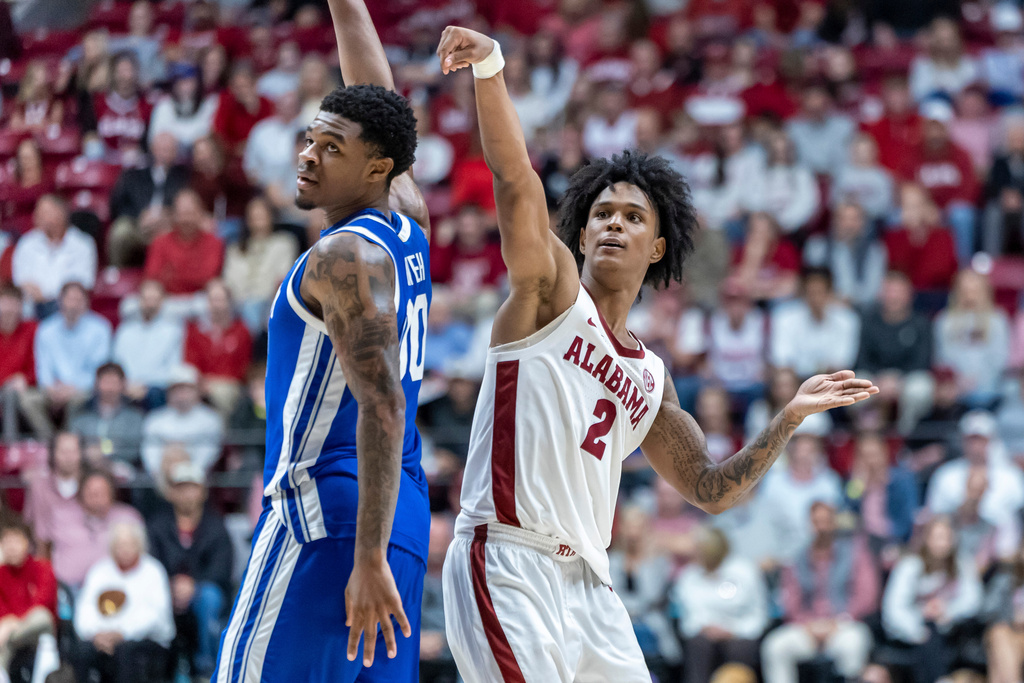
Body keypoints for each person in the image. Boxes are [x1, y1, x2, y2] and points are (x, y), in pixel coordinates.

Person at [434, 25, 877, 683]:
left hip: (591, 583)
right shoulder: (550, 295)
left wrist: (787, 418)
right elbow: (516, 181)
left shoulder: (651, 376)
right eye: (602, 214)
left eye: (633, 217)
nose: (614, 222)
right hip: (507, 560)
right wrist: (493, 67)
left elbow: (710, 488)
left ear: (659, 247)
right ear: (581, 234)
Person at [213, 0, 432, 679]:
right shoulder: (407, 220)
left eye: (331, 148)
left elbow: (384, 404)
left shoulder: (342, 260)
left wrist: (363, 560)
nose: (308, 156)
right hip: (400, 513)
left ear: (376, 168)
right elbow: (378, 100)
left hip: (326, 514)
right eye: (311, 138)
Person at [761, 501, 879, 683]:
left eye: (826, 521)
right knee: (775, 647)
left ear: (834, 523)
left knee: (853, 644)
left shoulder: (855, 553)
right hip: (807, 627)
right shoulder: (797, 558)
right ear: (810, 524)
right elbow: (790, 599)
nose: (822, 527)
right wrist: (807, 624)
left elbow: (867, 595)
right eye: (817, 522)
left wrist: (839, 620)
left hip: (843, 624)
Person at [147, 460, 232, 676]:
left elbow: (221, 569)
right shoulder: (157, 525)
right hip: (165, 590)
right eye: (181, 487)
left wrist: (193, 585)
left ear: (202, 491)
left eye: (192, 486)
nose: (187, 493)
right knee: (151, 596)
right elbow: (150, 564)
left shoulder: (216, 526)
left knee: (209, 597)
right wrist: (170, 584)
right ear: (171, 492)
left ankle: (207, 669)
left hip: (202, 591)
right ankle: (163, 670)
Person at [71, 521, 175, 683]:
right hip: (101, 638)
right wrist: (96, 634)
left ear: (140, 545)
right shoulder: (99, 571)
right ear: (112, 547)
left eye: (130, 544)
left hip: (147, 642)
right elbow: (85, 608)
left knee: (126, 651)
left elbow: (155, 616)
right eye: (120, 545)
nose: (125, 550)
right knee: (81, 651)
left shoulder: (154, 571)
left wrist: (121, 633)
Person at [882, 517, 983, 683]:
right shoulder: (909, 565)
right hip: (913, 631)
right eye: (937, 537)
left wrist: (948, 610)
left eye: (946, 538)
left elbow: (973, 599)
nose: (942, 544)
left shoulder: (962, 563)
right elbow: (893, 608)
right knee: (929, 635)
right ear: (926, 539)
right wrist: (917, 629)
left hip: (951, 629)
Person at [672, 526, 768, 683]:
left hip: (739, 632)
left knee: (740, 649)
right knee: (698, 646)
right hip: (704, 633)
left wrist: (734, 630)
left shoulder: (745, 571)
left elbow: (757, 613)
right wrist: (706, 628)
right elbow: (688, 615)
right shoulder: (689, 576)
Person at [38, 468, 142, 590]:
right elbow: (43, 550)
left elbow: (141, 556)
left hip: (117, 589)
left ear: (112, 493)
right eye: (91, 491)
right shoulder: (61, 515)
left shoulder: (128, 518)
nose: (96, 496)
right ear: (81, 493)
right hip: (67, 590)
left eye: (101, 491)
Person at [34, 282, 112, 420]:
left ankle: (70, 439)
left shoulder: (100, 329)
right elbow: (43, 368)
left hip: (85, 389)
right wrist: (50, 388)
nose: (73, 305)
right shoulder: (45, 329)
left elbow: (100, 370)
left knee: (77, 400)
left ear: (86, 303)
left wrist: (73, 387)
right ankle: (48, 438)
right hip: (52, 389)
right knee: (28, 401)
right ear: (60, 301)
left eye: (78, 300)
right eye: (69, 299)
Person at [221, 196, 299, 332]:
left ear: (271, 216)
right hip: (238, 303)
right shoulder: (235, 248)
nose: (258, 218)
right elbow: (229, 280)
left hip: (269, 303)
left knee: (256, 310)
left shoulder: (284, 243)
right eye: (254, 215)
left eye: (262, 214)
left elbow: (283, 276)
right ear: (247, 219)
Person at [11, 195, 98, 317]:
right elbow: (21, 282)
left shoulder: (82, 244)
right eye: (38, 212)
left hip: (68, 311)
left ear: (61, 214)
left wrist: (47, 296)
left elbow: (83, 283)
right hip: (32, 309)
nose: (38, 216)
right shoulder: (26, 243)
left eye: (45, 212)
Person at [934, 269, 1011, 407]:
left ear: (984, 291)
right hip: (955, 392)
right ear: (957, 291)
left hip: (992, 390)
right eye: (965, 290)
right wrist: (959, 381)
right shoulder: (944, 321)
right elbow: (942, 358)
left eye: (975, 290)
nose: (970, 295)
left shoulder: (998, 320)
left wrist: (979, 379)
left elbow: (1001, 359)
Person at [770, 268, 861, 378]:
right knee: (783, 379)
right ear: (803, 293)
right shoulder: (784, 317)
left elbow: (842, 364)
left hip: (831, 381)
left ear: (830, 293)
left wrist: (808, 369)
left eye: (820, 292)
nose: (815, 299)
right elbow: (782, 362)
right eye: (811, 293)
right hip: (795, 381)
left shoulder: (847, 320)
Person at [140, 365, 223, 477]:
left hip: (196, 479)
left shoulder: (210, 419)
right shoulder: (154, 419)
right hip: (162, 479)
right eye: (176, 389)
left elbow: (208, 455)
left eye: (186, 389)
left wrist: (188, 472)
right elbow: (150, 454)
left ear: (197, 391)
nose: (181, 395)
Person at [0, 514, 57, 676]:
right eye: (6, 542)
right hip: (11, 635)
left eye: (15, 541)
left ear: (27, 543)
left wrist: (12, 623)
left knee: (41, 616)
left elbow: (42, 604)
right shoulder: (0, 574)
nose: (11, 547)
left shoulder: (43, 568)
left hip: (37, 631)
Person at [111, 280, 185, 406]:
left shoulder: (174, 331)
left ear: (163, 301)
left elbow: (173, 369)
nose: (150, 304)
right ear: (138, 300)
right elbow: (116, 362)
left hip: (156, 388)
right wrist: (127, 384)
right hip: (126, 387)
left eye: (154, 299)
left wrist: (144, 386)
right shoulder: (125, 331)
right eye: (146, 298)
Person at [70, 363, 145, 471]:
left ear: (123, 385)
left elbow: (133, 450)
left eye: (114, 383)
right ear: (96, 384)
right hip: (85, 468)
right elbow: (72, 442)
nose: (110, 388)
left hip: (121, 470)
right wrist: (87, 453)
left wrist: (105, 453)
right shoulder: (81, 417)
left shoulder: (134, 418)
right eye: (106, 382)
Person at [0, 285, 49, 440]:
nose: (8, 309)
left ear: (21, 306)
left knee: (13, 396)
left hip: (25, 390)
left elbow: (41, 365)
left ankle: (12, 447)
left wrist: (25, 379)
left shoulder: (33, 329)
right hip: (4, 388)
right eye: (4, 303)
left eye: (13, 303)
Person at [983, 537, 1024, 683]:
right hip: (1009, 631)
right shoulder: (1005, 577)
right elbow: (987, 610)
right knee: (1000, 634)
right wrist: (1013, 617)